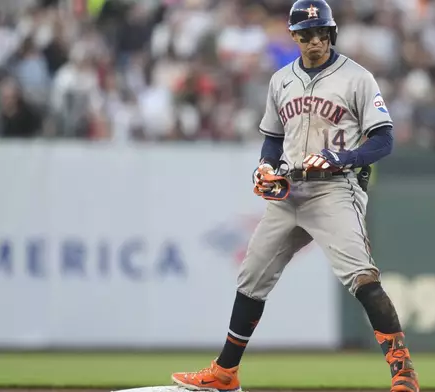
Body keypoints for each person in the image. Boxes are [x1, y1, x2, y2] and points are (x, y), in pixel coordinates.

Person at [170, 2, 420, 392]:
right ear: (295, 37)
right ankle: (225, 373)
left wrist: (343, 157)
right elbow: (272, 140)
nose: (314, 40)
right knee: (251, 279)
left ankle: (403, 371)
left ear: (331, 33)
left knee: (362, 279)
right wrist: (264, 169)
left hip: (335, 189)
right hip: (289, 192)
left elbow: (384, 140)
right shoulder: (281, 80)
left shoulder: (357, 77)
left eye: (321, 32)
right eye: (306, 34)